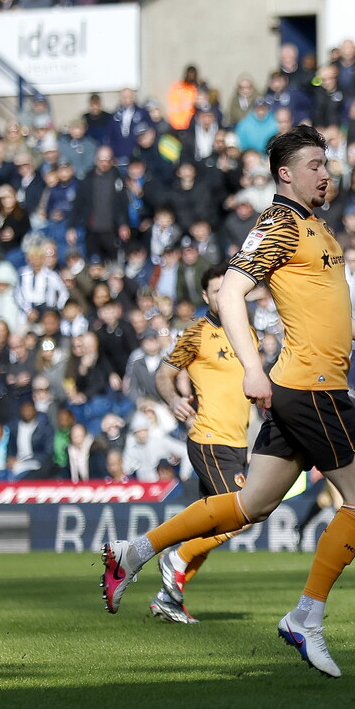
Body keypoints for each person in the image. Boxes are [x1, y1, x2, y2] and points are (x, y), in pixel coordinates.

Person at [99, 126, 355, 678]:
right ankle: (306, 617)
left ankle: (133, 552)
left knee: (250, 506)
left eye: (325, 163)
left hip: (307, 382)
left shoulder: (313, 223)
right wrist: (253, 369)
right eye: (313, 165)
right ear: (285, 174)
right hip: (312, 387)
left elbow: (318, 307)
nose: (325, 173)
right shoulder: (280, 222)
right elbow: (232, 291)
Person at [148, 264, 258, 625]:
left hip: (237, 441)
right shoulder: (197, 334)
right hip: (210, 438)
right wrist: (172, 400)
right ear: (206, 297)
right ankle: (174, 559)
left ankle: (168, 599)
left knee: (210, 528)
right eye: (215, 291)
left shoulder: (247, 332)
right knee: (240, 517)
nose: (223, 296)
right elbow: (163, 374)